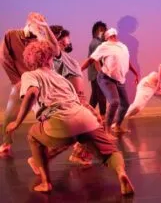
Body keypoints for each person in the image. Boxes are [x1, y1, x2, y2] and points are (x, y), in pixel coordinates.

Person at [6, 41, 134, 195]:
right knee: (109, 152)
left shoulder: (30, 75)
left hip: (61, 123)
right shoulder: (62, 79)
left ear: (29, 61)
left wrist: (17, 122)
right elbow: (78, 102)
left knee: (33, 135)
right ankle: (121, 173)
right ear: (49, 59)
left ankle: (46, 183)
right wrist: (96, 117)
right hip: (86, 120)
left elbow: (32, 93)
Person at [0, 12, 59, 153]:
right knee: (10, 115)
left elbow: (56, 51)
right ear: (29, 23)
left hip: (40, 83)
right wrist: (16, 81)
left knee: (47, 114)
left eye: (42, 25)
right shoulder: (12, 35)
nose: (39, 28)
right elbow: (4, 58)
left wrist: (44, 31)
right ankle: (7, 142)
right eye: (37, 24)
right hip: (21, 82)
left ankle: (48, 144)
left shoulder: (41, 40)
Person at [50, 25, 104, 165]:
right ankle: (44, 158)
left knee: (89, 127)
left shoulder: (64, 58)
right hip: (73, 102)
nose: (68, 42)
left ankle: (76, 153)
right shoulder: (56, 58)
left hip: (77, 101)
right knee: (88, 128)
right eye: (63, 40)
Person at [81, 28, 139, 133]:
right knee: (114, 102)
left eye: (114, 35)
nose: (113, 37)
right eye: (111, 36)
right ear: (107, 37)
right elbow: (91, 59)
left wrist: (135, 73)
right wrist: (79, 70)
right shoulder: (104, 46)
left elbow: (127, 61)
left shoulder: (123, 46)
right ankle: (106, 130)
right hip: (106, 78)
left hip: (120, 80)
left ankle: (117, 126)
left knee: (125, 104)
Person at [88, 21, 107, 119]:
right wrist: (101, 74)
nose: (105, 33)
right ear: (99, 31)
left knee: (95, 97)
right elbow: (96, 61)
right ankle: (103, 118)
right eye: (104, 30)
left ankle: (87, 116)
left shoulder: (97, 42)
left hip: (94, 74)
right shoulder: (97, 43)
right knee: (101, 96)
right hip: (97, 74)